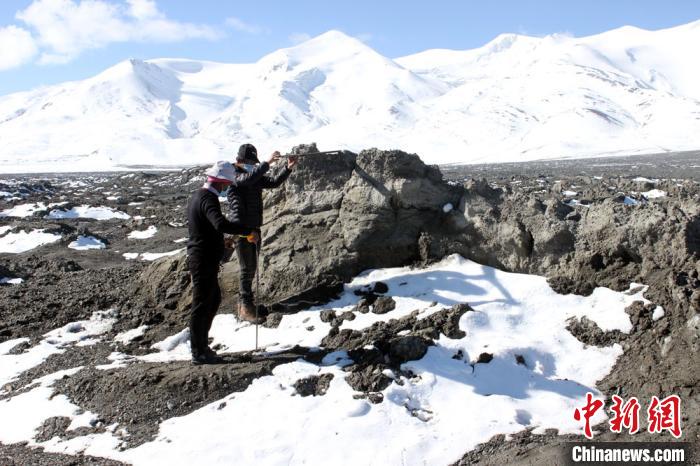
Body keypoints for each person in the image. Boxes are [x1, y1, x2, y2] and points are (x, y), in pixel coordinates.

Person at [186, 161, 257, 365]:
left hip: (203, 257)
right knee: (201, 305)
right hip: (203, 259)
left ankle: (201, 348)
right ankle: (198, 352)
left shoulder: (198, 196)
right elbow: (219, 223)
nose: (227, 188)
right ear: (220, 181)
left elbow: (206, 228)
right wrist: (246, 231)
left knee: (212, 299)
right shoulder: (208, 198)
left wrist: (220, 240)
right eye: (226, 184)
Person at [228, 144, 297, 322]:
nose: (252, 165)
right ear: (239, 161)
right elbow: (247, 180)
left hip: (253, 228)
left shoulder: (252, 175)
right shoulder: (234, 174)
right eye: (249, 162)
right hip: (241, 229)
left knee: (251, 268)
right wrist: (266, 163)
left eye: (254, 162)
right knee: (247, 269)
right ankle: (245, 308)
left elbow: (273, 183)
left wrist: (287, 168)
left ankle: (245, 305)